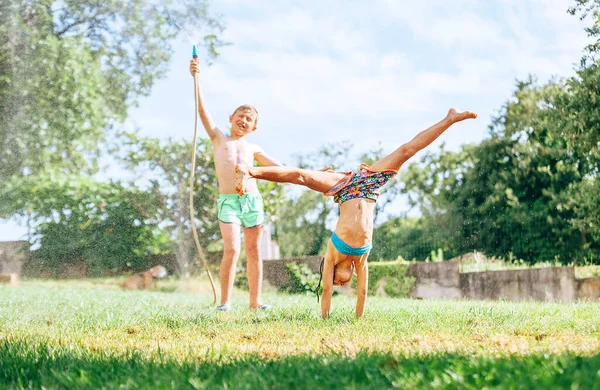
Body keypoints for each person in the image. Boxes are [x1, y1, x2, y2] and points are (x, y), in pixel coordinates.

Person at [234, 108, 477, 318]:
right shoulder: (361, 260)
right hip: (370, 186)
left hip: (342, 184)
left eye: (338, 281)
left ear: (330, 275)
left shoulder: (332, 254)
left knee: (303, 176)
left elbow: (326, 291)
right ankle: (250, 171)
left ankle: (449, 118)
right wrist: (358, 319)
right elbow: (362, 293)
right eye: (343, 282)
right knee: (405, 152)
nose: (343, 282)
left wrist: (325, 318)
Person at [189, 58, 282, 311]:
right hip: (228, 201)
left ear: (254, 127)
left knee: (254, 251)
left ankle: (255, 302)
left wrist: (314, 174)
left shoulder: (254, 147)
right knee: (232, 249)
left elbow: (281, 169)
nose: (244, 120)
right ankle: (225, 303)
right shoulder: (219, 138)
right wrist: (196, 78)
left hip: (252, 201)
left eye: (249, 119)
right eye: (240, 116)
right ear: (231, 118)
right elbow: (202, 112)